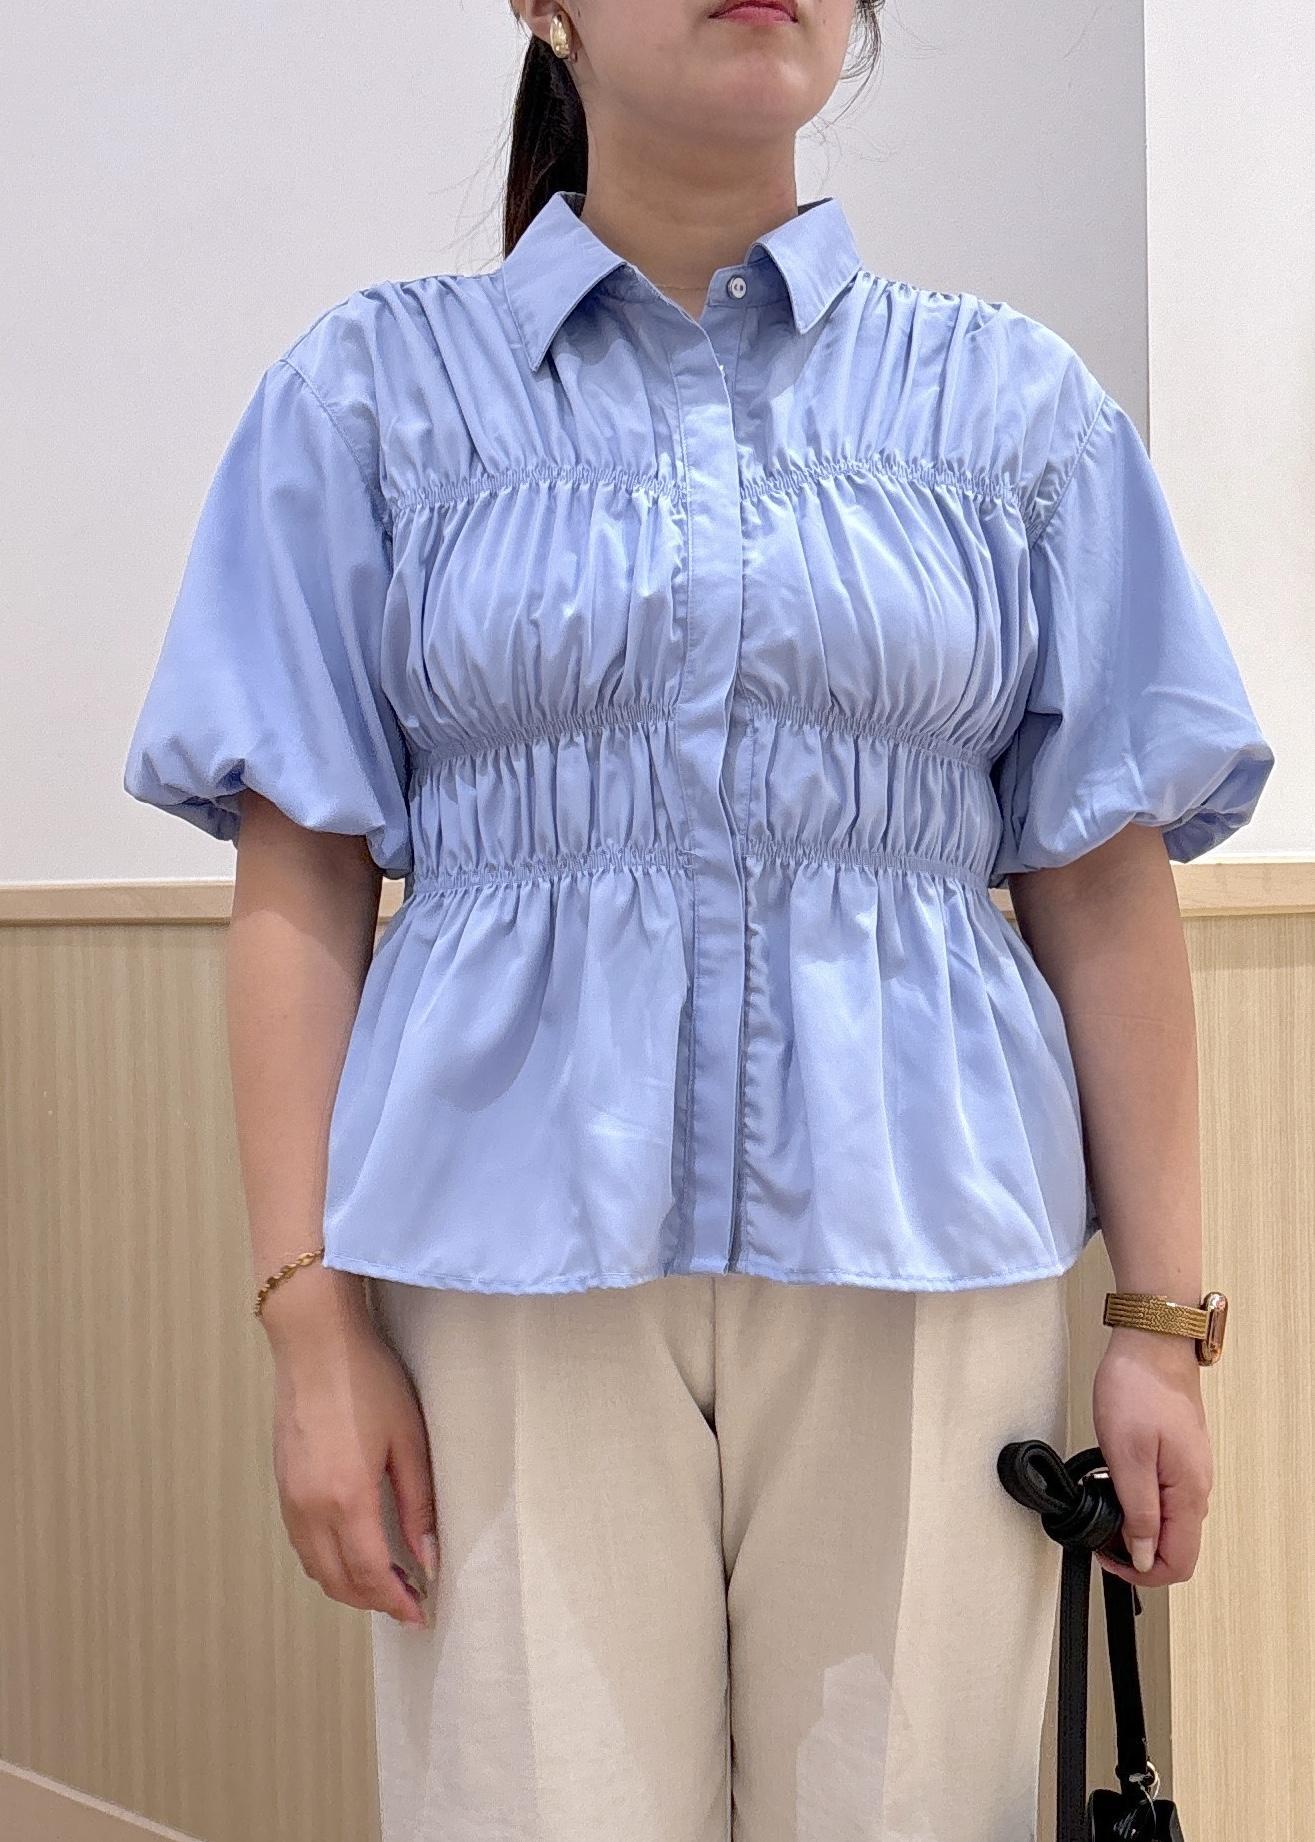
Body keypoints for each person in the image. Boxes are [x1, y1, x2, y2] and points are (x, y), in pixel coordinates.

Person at [122, 2, 1274, 1837]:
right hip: (502, 1262)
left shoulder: (1011, 410)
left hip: (926, 1247)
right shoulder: (372, 400)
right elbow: (304, 875)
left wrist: (1157, 1323)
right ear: (542, 6)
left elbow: (1100, 882)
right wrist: (311, 1333)